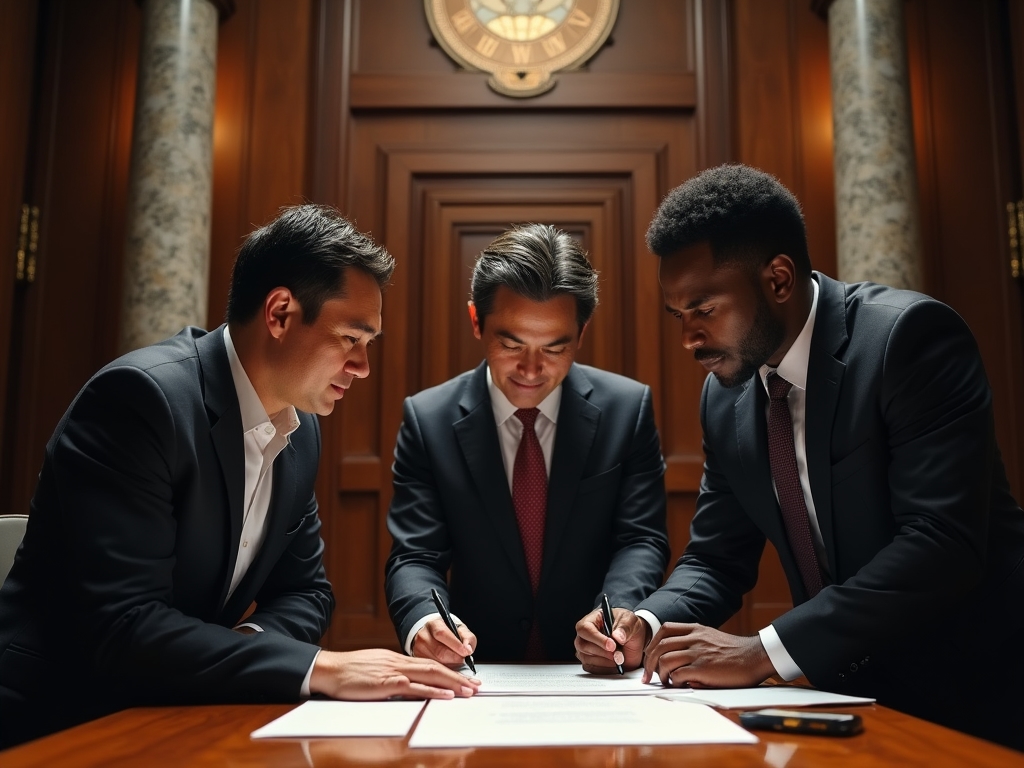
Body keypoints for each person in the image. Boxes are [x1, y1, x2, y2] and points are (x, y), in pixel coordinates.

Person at [575, 165, 1024, 750]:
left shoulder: (908, 340)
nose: (687, 338)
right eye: (677, 316)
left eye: (704, 309)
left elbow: (941, 542)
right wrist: (645, 624)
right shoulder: (725, 394)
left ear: (779, 279)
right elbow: (716, 556)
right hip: (849, 703)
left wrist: (763, 651)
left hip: (983, 687)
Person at [0, 204, 478, 749]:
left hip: (183, 714)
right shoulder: (140, 400)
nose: (364, 366)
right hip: (60, 720)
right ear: (279, 313)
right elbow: (122, 626)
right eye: (351, 338)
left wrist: (243, 645)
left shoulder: (301, 430)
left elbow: (307, 592)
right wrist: (321, 668)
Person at [385, 223, 670, 665]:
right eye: (511, 344)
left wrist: (620, 615)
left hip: (596, 675)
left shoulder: (627, 410)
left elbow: (640, 539)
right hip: (478, 672)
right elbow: (415, 553)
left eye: (555, 348)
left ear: (581, 333)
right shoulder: (428, 419)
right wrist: (424, 621)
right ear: (476, 321)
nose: (532, 369)